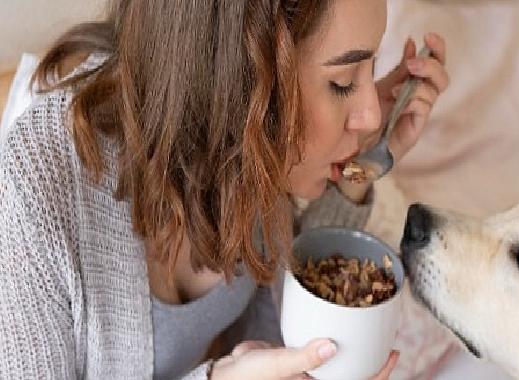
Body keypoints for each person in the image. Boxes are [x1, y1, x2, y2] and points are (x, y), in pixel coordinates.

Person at [0, 0, 448, 378]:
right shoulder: (36, 191)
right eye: (343, 82)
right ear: (240, 80)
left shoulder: (242, 154)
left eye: (372, 67)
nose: (371, 113)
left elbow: (272, 308)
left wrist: (362, 162)